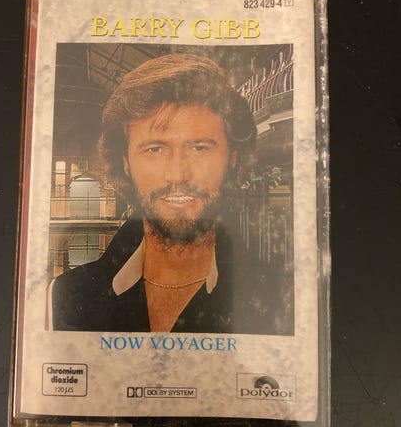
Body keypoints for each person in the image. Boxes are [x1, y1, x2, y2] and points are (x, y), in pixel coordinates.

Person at [51, 53, 292, 334]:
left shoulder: (283, 300)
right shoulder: (65, 298)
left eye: (199, 148)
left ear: (233, 158)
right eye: (155, 149)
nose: (178, 175)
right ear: (125, 162)